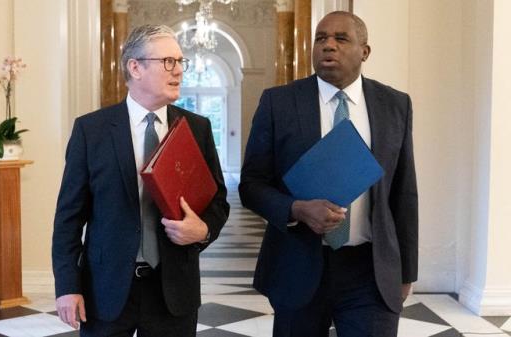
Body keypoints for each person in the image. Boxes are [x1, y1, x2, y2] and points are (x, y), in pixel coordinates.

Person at [239, 11, 417, 337]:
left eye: (340, 38)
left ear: (365, 51)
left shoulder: (395, 105)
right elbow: (251, 185)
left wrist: (406, 271)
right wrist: (296, 209)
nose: (328, 46)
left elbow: (404, 192)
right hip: (299, 266)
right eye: (321, 38)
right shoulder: (279, 103)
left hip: (371, 270)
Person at [52, 24, 229, 337]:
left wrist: (202, 230)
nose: (178, 71)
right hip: (106, 290)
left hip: (173, 291)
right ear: (135, 67)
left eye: (180, 62)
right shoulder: (91, 131)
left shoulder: (197, 128)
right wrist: (67, 286)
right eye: (168, 62)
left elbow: (217, 202)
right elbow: (68, 218)